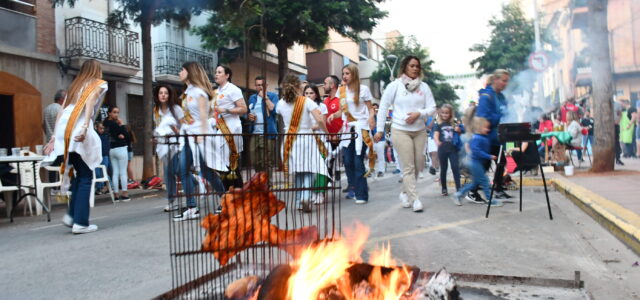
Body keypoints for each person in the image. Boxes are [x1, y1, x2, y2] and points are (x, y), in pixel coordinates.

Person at [43, 59, 108, 234]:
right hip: (79, 132)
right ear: (97, 70)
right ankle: (81, 222)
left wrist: (53, 137)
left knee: (80, 176)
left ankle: (72, 216)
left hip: (65, 134)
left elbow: (62, 111)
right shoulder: (98, 84)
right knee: (86, 176)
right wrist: (86, 126)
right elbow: (90, 102)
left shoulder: (73, 87)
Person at [375, 55, 437, 212]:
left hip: (420, 131)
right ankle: (415, 199)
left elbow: (432, 108)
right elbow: (383, 107)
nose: (415, 68)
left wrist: (419, 113)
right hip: (400, 130)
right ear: (404, 68)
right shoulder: (394, 86)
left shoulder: (424, 87)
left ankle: (404, 192)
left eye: (417, 66)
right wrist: (380, 130)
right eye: (412, 65)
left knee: (418, 165)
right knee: (408, 167)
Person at [173, 61, 226, 221]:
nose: (179, 73)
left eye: (182, 70)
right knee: (182, 169)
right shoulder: (187, 92)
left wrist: (201, 137)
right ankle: (191, 207)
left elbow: (204, 116)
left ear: (189, 72)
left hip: (200, 137)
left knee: (207, 172)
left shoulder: (199, 92)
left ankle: (226, 200)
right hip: (189, 137)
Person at [277, 75, 329, 212]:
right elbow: (319, 119)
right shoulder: (305, 101)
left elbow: (278, 113)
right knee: (310, 170)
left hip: (289, 140)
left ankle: (299, 202)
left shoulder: (281, 103)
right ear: (297, 86)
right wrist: (326, 132)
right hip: (305, 138)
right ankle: (306, 196)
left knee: (298, 172)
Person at [329, 64, 375, 204]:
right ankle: (354, 188)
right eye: (343, 73)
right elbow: (342, 111)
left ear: (354, 74)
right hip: (347, 129)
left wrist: (371, 118)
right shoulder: (341, 91)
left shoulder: (363, 89)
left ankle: (362, 194)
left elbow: (370, 108)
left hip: (360, 129)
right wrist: (333, 115)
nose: (344, 76)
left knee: (357, 161)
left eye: (347, 73)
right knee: (348, 161)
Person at [473, 69, 512, 200]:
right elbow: (483, 118)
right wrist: (499, 116)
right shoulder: (487, 96)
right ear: (496, 80)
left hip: (499, 136)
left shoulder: (501, 96)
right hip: (487, 137)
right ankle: (472, 191)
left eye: (507, 81)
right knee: (484, 164)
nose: (506, 84)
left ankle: (498, 188)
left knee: (502, 161)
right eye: (504, 80)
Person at [453, 117, 503, 207]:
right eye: (486, 127)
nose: (488, 129)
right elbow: (476, 151)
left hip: (477, 163)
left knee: (475, 183)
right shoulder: (477, 138)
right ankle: (489, 199)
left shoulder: (482, 137)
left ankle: (458, 195)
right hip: (474, 163)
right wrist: (489, 156)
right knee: (485, 181)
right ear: (479, 128)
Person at [212, 65, 248, 188]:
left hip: (232, 127)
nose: (216, 74)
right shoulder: (216, 91)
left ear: (227, 75)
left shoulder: (233, 89)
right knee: (221, 162)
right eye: (216, 72)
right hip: (220, 127)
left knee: (231, 162)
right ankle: (228, 193)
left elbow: (243, 109)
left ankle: (237, 192)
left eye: (219, 72)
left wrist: (226, 110)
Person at [153, 84, 184, 212]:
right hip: (163, 145)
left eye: (165, 93)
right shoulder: (156, 110)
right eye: (161, 93)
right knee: (168, 173)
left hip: (176, 144)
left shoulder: (176, 109)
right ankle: (172, 201)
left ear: (170, 95)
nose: (163, 95)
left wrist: (175, 131)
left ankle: (193, 182)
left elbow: (184, 127)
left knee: (177, 170)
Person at [304, 84, 331, 204]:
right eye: (307, 93)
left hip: (320, 139)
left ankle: (320, 192)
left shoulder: (322, 106)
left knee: (321, 166)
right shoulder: (301, 106)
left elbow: (322, 122)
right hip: (306, 140)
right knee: (309, 168)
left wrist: (312, 127)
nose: (309, 95)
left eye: (311, 93)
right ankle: (311, 192)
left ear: (316, 94)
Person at [247, 76, 278, 174]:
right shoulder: (252, 98)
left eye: (262, 85)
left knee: (266, 162)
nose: (260, 87)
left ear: (266, 86)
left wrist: (265, 97)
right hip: (255, 133)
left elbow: (274, 109)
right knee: (255, 161)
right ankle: (260, 182)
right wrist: (249, 116)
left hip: (268, 133)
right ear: (255, 86)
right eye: (258, 85)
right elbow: (248, 112)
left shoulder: (273, 96)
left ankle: (267, 185)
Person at [434, 104, 464, 197]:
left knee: (455, 168)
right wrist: (437, 141)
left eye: (447, 113)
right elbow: (435, 135)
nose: (444, 115)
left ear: (450, 114)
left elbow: (459, 134)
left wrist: (458, 130)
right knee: (444, 169)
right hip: (442, 149)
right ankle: (444, 188)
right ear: (440, 113)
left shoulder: (454, 124)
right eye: (443, 113)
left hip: (453, 149)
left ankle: (458, 189)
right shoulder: (438, 124)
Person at [103, 106, 130, 201]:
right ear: (109, 113)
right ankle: (125, 193)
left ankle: (116, 194)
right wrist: (122, 125)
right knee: (123, 172)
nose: (116, 114)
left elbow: (122, 135)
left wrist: (121, 133)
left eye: (117, 112)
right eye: (114, 112)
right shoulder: (114, 124)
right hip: (121, 148)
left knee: (115, 172)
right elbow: (126, 135)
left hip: (112, 149)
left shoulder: (105, 123)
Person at [94, 121, 110, 194]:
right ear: (96, 128)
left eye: (103, 128)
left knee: (104, 171)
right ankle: (99, 188)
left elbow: (107, 145)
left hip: (104, 156)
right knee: (97, 173)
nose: (102, 130)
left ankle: (107, 187)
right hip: (96, 156)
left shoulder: (105, 135)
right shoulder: (94, 136)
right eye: (100, 128)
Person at [371, 103, 387, 178]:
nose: (374, 110)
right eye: (373, 109)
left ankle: (381, 171)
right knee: (370, 155)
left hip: (381, 139)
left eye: (376, 109)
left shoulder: (381, 117)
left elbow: (383, 128)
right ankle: (371, 169)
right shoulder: (370, 117)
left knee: (380, 156)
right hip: (371, 140)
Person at [613, 99, 624, 165]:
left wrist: (618, 121)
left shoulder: (617, 104)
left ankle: (618, 159)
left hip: (615, 125)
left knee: (616, 142)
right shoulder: (603, 103)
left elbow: (620, 114)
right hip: (606, 127)